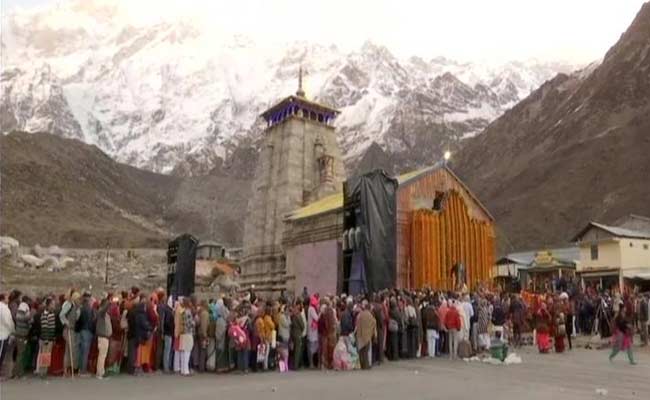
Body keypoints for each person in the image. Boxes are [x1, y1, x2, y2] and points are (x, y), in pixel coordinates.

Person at [59, 290, 80, 376]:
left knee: (68, 351)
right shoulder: (69, 305)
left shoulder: (76, 307)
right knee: (71, 350)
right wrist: (66, 322)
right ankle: (69, 369)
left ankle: (66, 370)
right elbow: (61, 315)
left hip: (72, 329)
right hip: (68, 330)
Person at [76, 292, 95, 376]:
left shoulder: (81, 308)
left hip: (81, 330)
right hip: (87, 331)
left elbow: (78, 320)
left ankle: (80, 369)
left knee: (81, 351)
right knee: (85, 352)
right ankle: (83, 371)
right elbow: (91, 322)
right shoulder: (89, 309)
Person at [36, 298, 56, 378]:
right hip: (45, 339)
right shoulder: (45, 314)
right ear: (48, 305)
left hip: (50, 338)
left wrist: (53, 338)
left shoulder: (52, 314)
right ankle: (42, 372)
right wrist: (46, 339)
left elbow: (52, 327)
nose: (54, 306)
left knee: (47, 355)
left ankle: (44, 372)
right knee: (45, 355)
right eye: (52, 304)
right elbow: (45, 327)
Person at [13, 297, 32, 378]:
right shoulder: (26, 309)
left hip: (18, 332)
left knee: (18, 353)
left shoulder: (19, 308)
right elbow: (28, 320)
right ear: (27, 301)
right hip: (23, 333)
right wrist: (31, 322)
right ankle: (18, 373)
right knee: (20, 354)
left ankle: (16, 372)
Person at [355, 300, 377, 370]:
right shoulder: (371, 316)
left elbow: (357, 325)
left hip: (360, 335)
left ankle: (362, 365)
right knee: (366, 352)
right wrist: (375, 335)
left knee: (361, 351)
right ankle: (366, 366)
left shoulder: (360, 315)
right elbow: (374, 325)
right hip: (368, 336)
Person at [0, 294, 15, 381]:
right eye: (7, 298)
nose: (8, 300)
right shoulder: (4, 308)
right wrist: (12, 330)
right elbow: (8, 321)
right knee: (1, 354)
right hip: (3, 334)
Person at [290, 302, 305, 370]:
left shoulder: (292, 316)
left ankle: (293, 364)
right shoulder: (298, 315)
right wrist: (301, 331)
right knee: (297, 350)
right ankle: (296, 365)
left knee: (294, 350)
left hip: (293, 333)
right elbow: (302, 325)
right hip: (298, 333)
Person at [307, 295, 320, 368]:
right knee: (312, 348)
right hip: (312, 331)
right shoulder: (311, 309)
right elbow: (317, 318)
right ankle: (311, 364)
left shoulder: (311, 308)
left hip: (313, 331)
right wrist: (319, 313)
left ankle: (313, 363)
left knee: (314, 348)